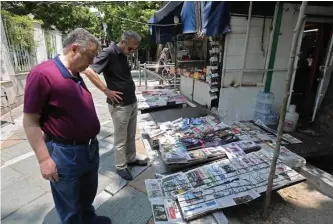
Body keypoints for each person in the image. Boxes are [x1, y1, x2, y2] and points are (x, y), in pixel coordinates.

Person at [23, 28, 111, 224]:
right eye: (90, 56)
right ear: (74, 49)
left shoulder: (76, 72)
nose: (92, 62)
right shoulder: (43, 74)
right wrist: (44, 159)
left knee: (87, 194)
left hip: (88, 148)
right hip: (65, 152)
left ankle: (88, 219)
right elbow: (30, 121)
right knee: (69, 205)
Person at [84, 31, 148, 181]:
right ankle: (121, 166)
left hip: (131, 101)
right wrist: (106, 91)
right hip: (120, 105)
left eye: (135, 49)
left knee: (131, 134)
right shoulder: (110, 52)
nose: (132, 52)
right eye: (130, 49)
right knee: (121, 138)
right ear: (123, 42)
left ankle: (131, 158)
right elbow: (89, 70)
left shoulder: (123, 54)